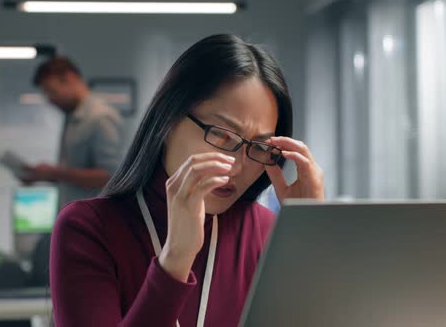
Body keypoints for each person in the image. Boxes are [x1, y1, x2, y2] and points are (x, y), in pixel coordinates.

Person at [49, 34, 324, 327]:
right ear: (167, 121)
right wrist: (176, 259)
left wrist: (306, 235)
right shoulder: (87, 228)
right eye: (222, 134)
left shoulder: (265, 231)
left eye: (259, 146)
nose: (239, 166)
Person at [21, 56, 124, 208]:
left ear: (70, 78)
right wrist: (42, 176)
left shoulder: (101, 117)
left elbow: (109, 176)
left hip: (93, 221)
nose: (50, 99)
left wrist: (55, 173)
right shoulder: (73, 117)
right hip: (74, 216)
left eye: (51, 91)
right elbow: (74, 175)